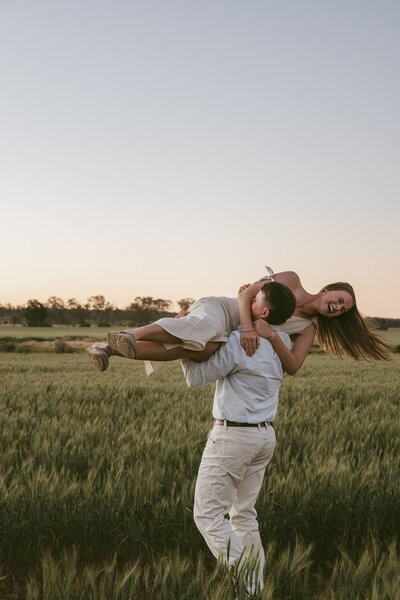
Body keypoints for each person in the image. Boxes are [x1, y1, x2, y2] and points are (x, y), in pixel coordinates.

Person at [180, 325, 292, 596]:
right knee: (243, 515)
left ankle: (248, 579)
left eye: (254, 298)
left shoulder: (243, 341)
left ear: (262, 311)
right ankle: (255, 590)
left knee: (207, 515)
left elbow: (195, 377)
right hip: (264, 436)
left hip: (234, 438)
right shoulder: (283, 339)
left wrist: (185, 340)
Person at [86, 279, 297, 372]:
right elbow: (243, 296)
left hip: (216, 327)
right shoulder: (253, 305)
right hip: (217, 309)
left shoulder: (265, 324)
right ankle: (129, 333)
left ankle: (108, 349)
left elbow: (292, 366)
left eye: (254, 300)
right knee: (208, 327)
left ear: (265, 312)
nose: (249, 299)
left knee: (204, 349)